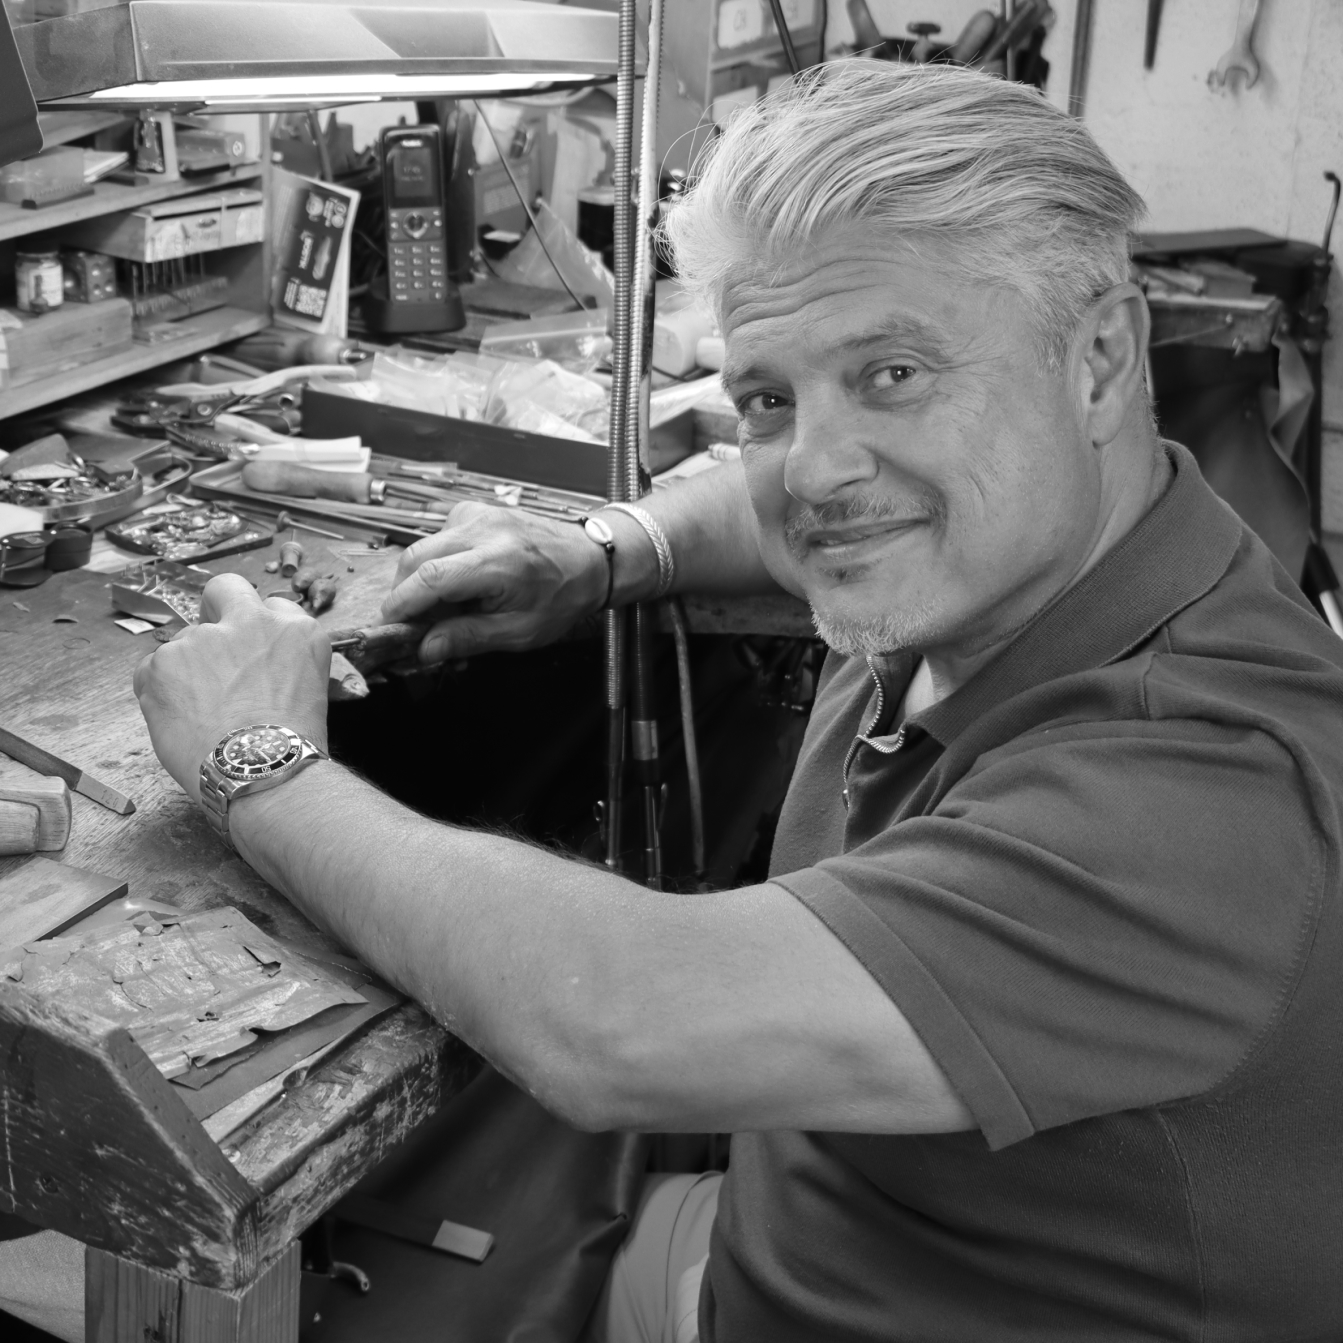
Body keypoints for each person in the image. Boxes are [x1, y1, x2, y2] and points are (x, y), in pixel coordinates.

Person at [6, 60, 1343, 1342]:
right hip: (803, 1242)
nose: (817, 472)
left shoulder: (1209, 778)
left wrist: (259, 761)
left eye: (894, 374)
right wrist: (602, 557)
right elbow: (768, 512)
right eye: (770, 397)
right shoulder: (1003, 549)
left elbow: (618, 1025)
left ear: (1101, 358)